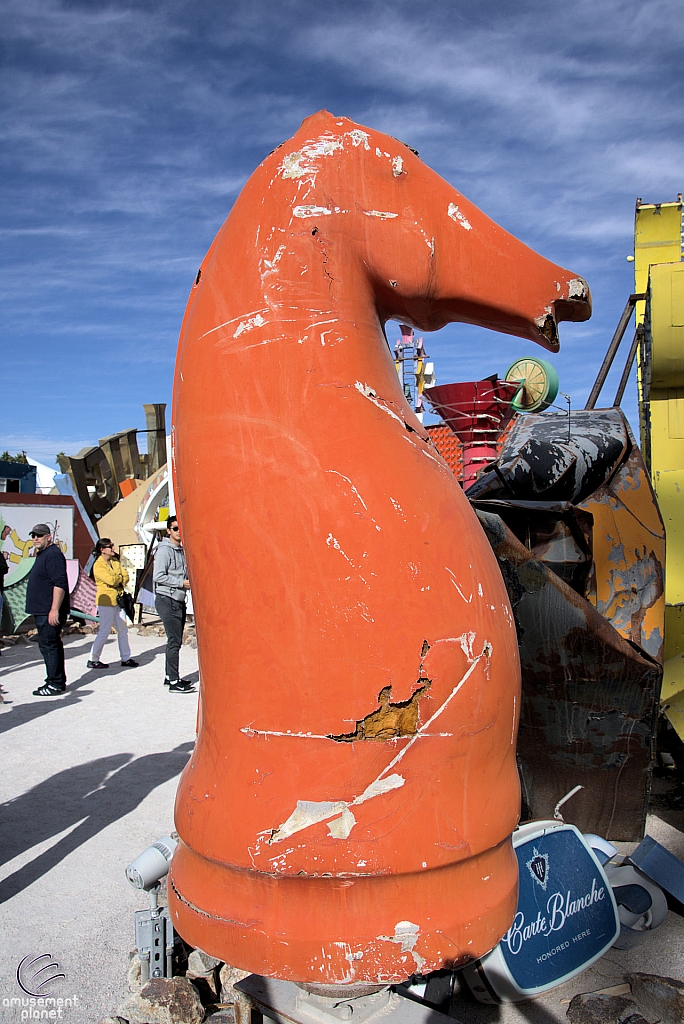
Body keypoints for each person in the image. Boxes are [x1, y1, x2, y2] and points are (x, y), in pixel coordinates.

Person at [25, 523, 70, 696]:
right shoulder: (43, 554)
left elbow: (60, 583)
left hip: (48, 611)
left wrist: (54, 610)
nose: (36, 538)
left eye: (39, 535)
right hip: (42, 610)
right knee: (48, 645)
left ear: (48, 537)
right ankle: (56, 680)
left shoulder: (53, 555)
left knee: (50, 645)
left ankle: (54, 684)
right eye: (33, 535)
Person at [153, 516, 195, 693]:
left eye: (180, 528)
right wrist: (181, 583)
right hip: (167, 599)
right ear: (168, 530)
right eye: (175, 528)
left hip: (177, 599)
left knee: (175, 640)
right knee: (174, 641)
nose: (178, 532)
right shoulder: (164, 550)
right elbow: (158, 576)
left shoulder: (180, 550)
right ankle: (173, 681)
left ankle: (170, 675)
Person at [87, 538, 139, 670]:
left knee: (123, 629)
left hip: (118, 600)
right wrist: (119, 579)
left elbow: (126, 576)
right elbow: (111, 580)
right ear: (102, 549)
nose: (113, 548)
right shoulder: (98, 565)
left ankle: (126, 658)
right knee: (104, 630)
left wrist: (119, 579)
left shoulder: (115, 561)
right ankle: (93, 659)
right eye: (110, 546)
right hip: (106, 602)